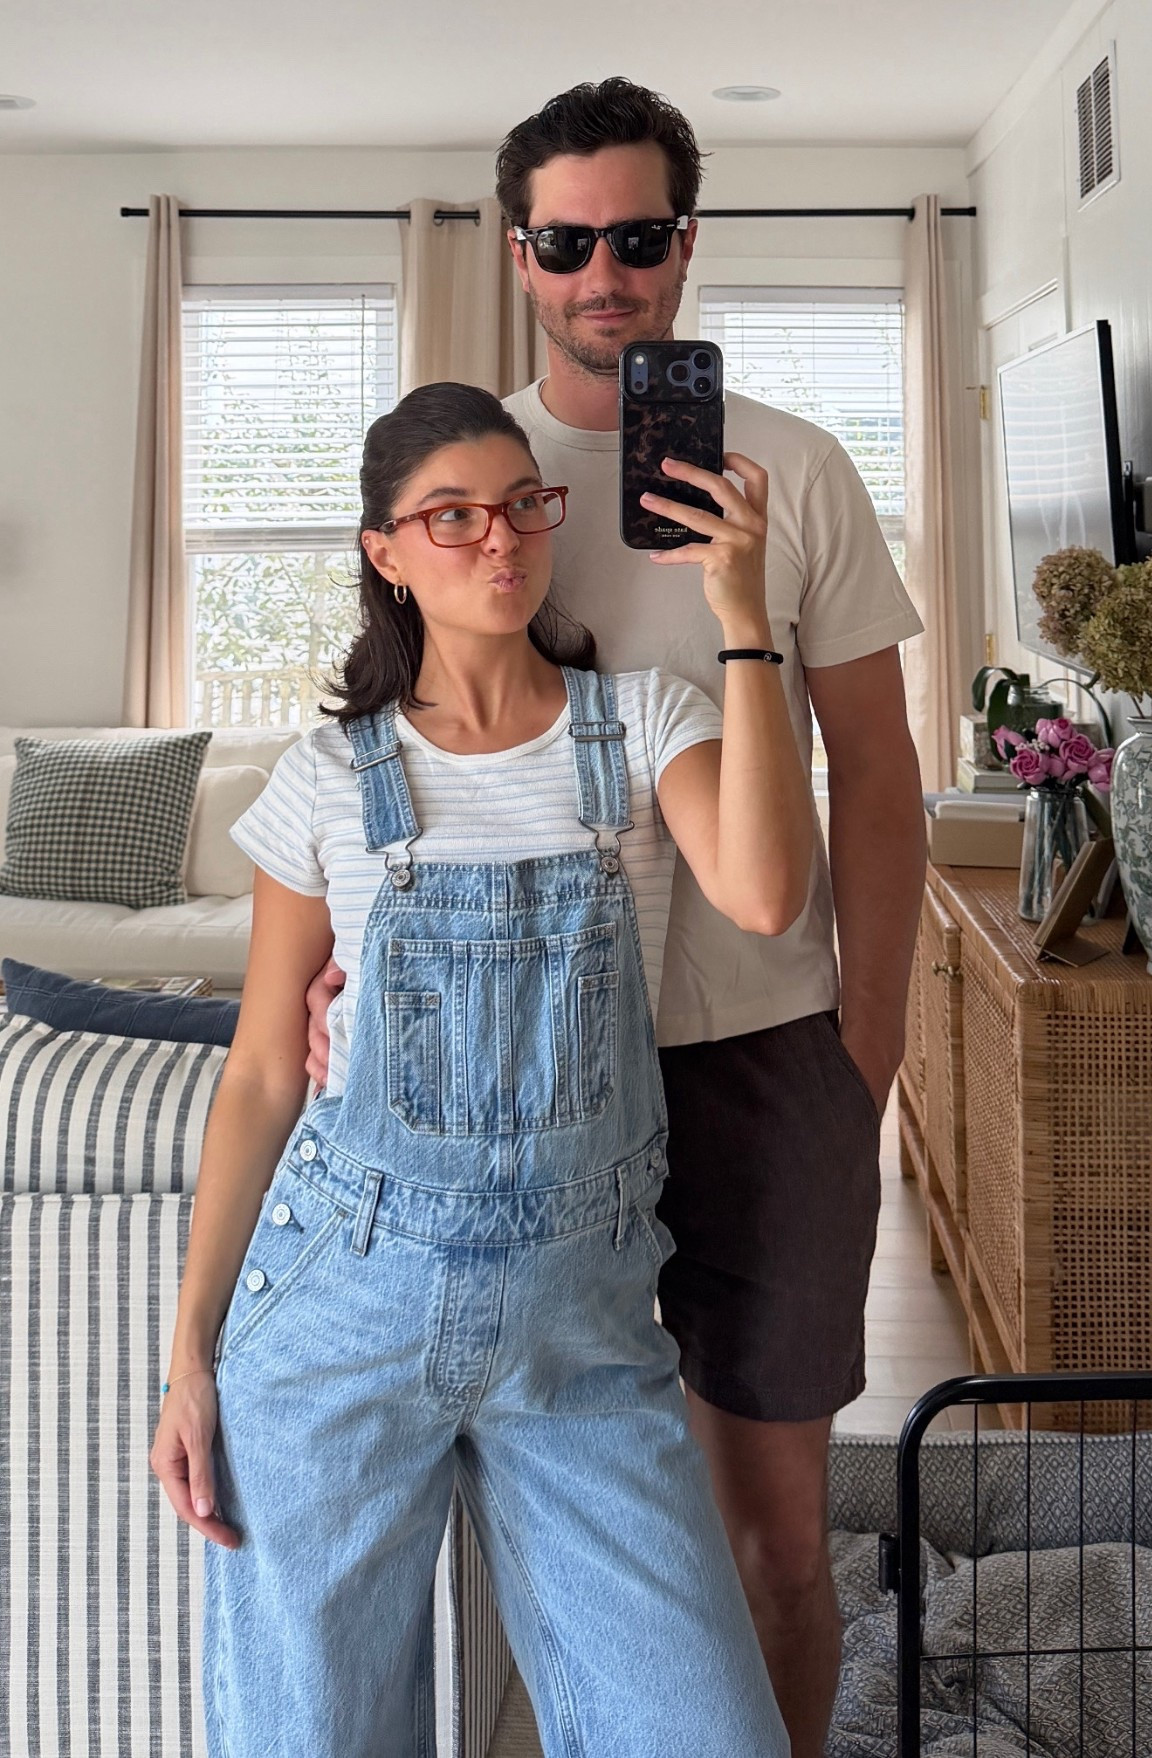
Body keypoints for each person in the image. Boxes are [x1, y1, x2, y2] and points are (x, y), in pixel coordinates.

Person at [303, 78, 928, 1758]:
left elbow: (877, 777)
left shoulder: (795, 468)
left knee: (779, 1537)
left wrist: (868, 1043)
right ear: (521, 253)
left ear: (683, 247)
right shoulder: (484, 483)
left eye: (637, 238)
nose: (605, 276)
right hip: (521, 1091)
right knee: (574, 1526)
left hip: (762, 1055)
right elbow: (407, 754)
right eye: (568, 242)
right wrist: (351, 980)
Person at [151, 380, 810, 1756]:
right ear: (386, 551)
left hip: (584, 1337)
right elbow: (266, 1071)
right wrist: (188, 1356)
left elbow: (762, 889)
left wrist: (744, 618)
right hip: (340, 1321)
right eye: (451, 517)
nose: (499, 540)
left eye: (522, 505)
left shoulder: (645, 716)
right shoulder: (331, 776)